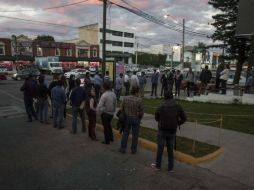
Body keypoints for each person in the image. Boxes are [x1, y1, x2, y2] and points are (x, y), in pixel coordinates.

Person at [151, 91, 186, 172]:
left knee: (160, 148)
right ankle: (170, 167)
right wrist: (177, 123)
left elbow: (156, 118)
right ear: (172, 97)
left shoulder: (161, 106)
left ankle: (158, 166)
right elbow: (184, 118)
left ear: (165, 97)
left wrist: (161, 120)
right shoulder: (178, 106)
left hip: (162, 130)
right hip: (172, 131)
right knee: (170, 149)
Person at [119, 87, 144, 154]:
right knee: (135, 135)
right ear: (136, 92)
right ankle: (133, 149)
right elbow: (141, 111)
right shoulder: (139, 100)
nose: (139, 93)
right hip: (136, 118)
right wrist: (140, 118)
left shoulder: (125, 98)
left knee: (125, 133)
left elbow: (121, 108)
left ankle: (123, 148)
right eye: (138, 92)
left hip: (127, 118)